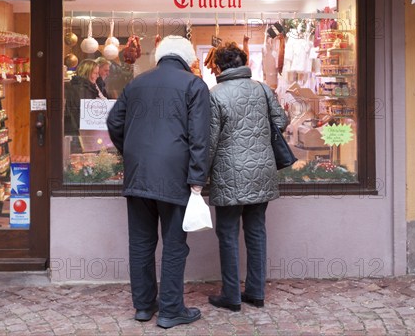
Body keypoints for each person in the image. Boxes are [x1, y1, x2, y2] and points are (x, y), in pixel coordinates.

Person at [106, 36, 210, 329]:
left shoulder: (136, 83)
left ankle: (143, 306)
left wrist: (131, 150)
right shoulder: (194, 85)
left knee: (140, 242)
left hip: (138, 172)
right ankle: (171, 309)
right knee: (175, 244)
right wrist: (198, 180)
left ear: (160, 56)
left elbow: (114, 122)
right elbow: (200, 137)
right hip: (175, 175)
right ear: (188, 59)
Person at [207, 41, 288, 312]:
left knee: (228, 233)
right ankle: (256, 292)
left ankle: (231, 295)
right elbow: (282, 121)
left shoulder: (215, 94)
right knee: (256, 231)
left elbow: (209, 140)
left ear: (218, 66)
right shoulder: (262, 89)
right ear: (245, 63)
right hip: (261, 171)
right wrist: (260, 136)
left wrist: (200, 174)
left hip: (228, 172)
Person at [64, 59, 104, 138]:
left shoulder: (85, 87)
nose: (98, 76)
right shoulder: (82, 89)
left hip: (76, 129)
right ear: (87, 73)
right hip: (79, 131)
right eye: (95, 73)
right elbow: (83, 113)